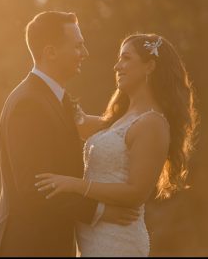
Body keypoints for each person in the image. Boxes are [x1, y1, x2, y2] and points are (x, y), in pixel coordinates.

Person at [35, 33, 198, 256]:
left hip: (118, 240)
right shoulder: (119, 119)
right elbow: (79, 124)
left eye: (126, 59)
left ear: (149, 66)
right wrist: (48, 81)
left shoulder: (152, 123)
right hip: (93, 237)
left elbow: (136, 193)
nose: (117, 66)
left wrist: (75, 185)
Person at [0, 12, 141, 257]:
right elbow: (33, 187)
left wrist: (140, 118)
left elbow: (96, 125)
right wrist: (99, 211)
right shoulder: (28, 103)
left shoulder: (52, 97)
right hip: (29, 246)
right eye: (78, 46)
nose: (85, 53)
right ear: (50, 52)